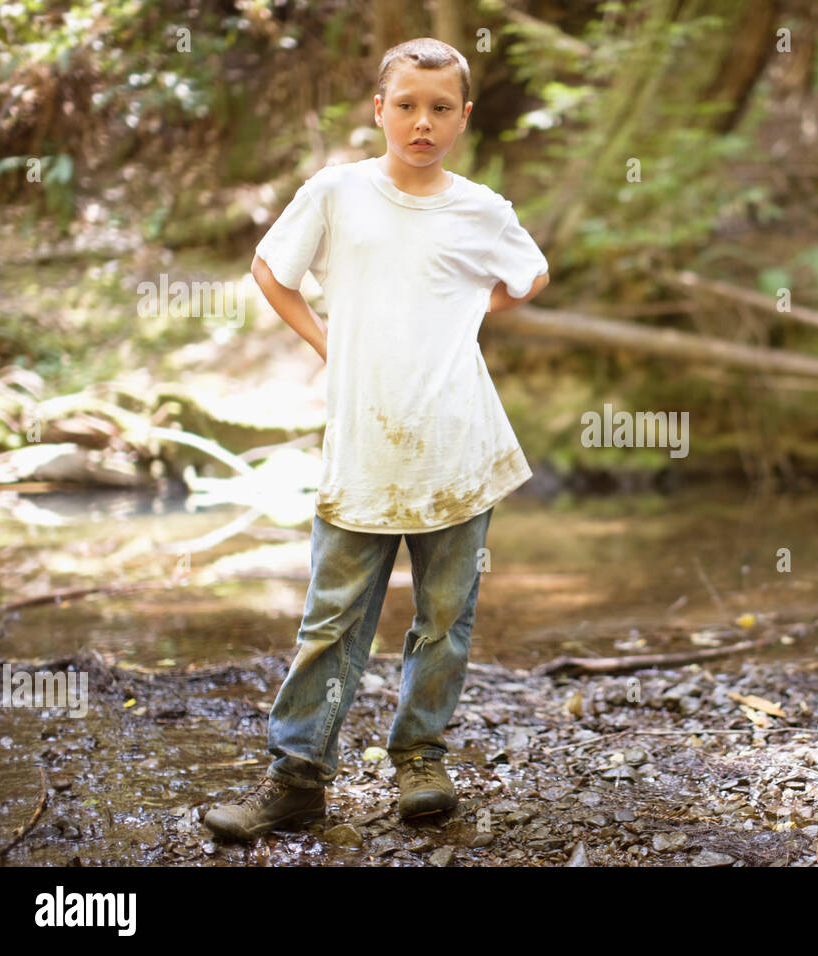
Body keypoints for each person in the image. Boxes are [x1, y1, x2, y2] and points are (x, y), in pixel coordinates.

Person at [203, 37, 549, 842]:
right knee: (332, 621)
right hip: (363, 445)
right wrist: (334, 345)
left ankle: (420, 760)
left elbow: (530, 274)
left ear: (463, 117)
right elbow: (272, 271)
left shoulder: (481, 210)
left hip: (459, 444)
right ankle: (297, 778)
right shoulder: (337, 193)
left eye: (438, 109)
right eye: (405, 106)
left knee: (444, 615)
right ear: (379, 110)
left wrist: (465, 311)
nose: (420, 123)